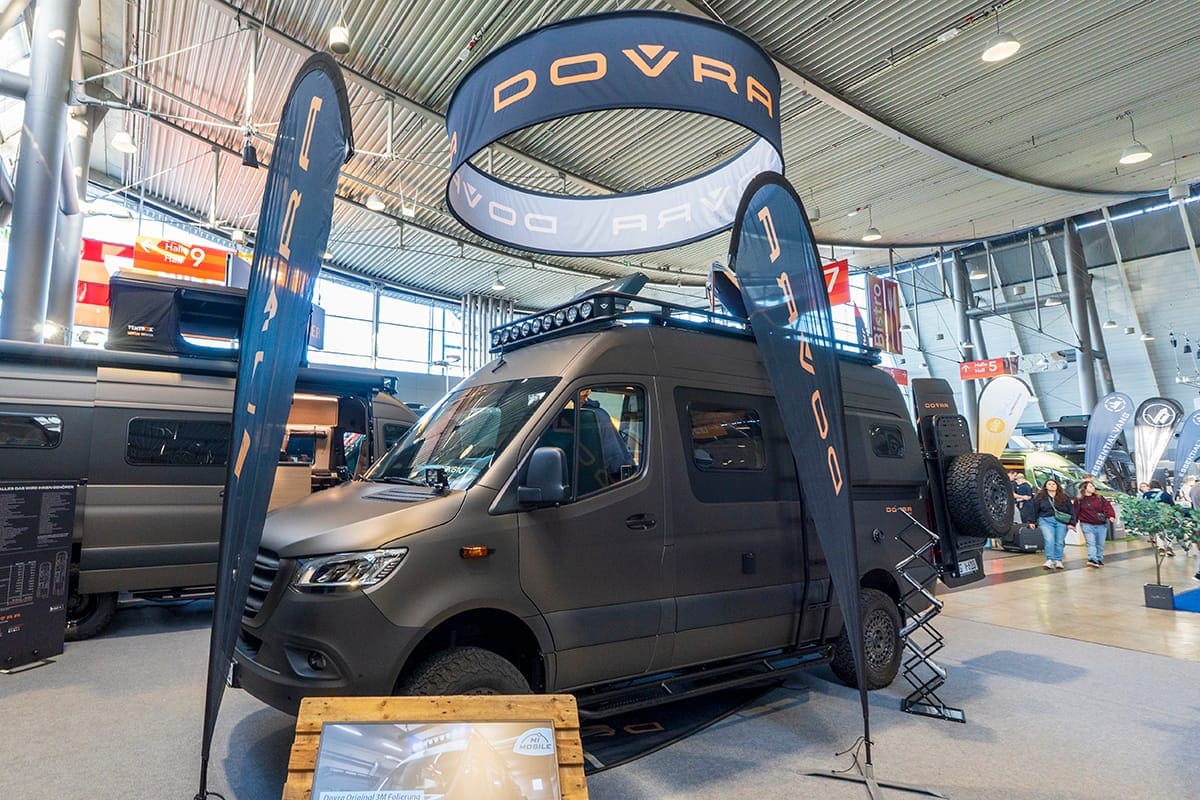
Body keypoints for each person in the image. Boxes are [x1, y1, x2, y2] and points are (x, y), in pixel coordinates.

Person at [1032, 478, 1075, 570]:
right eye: (1049, 484)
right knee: (1049, 539)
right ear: (1045, 487)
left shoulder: (1064, 497)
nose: (1051, 486)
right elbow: (1034, 510)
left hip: (1061, 521)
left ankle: (1058, 560)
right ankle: (1049, 560)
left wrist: (1072, 523)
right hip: (1045, 520)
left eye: (1053, 484)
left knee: (1059, 541)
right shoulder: (1040, 497)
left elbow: (1071, 510)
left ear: (1057, 486)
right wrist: (1032, 521)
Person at [1074, 480, 1116, 567]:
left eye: (1093, 486)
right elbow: (1075, 511)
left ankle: (1099, 558)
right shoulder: (1079, 500)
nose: (1093, 488)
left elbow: (1107, 506)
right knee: (1091, 542)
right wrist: (1073, 523)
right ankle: (1092, 559)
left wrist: (1111, 515)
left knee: (1100, 543)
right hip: (1086, 524)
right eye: (1090, 486)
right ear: (1084, 488)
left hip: (1101, 524)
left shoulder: (1100, 498)